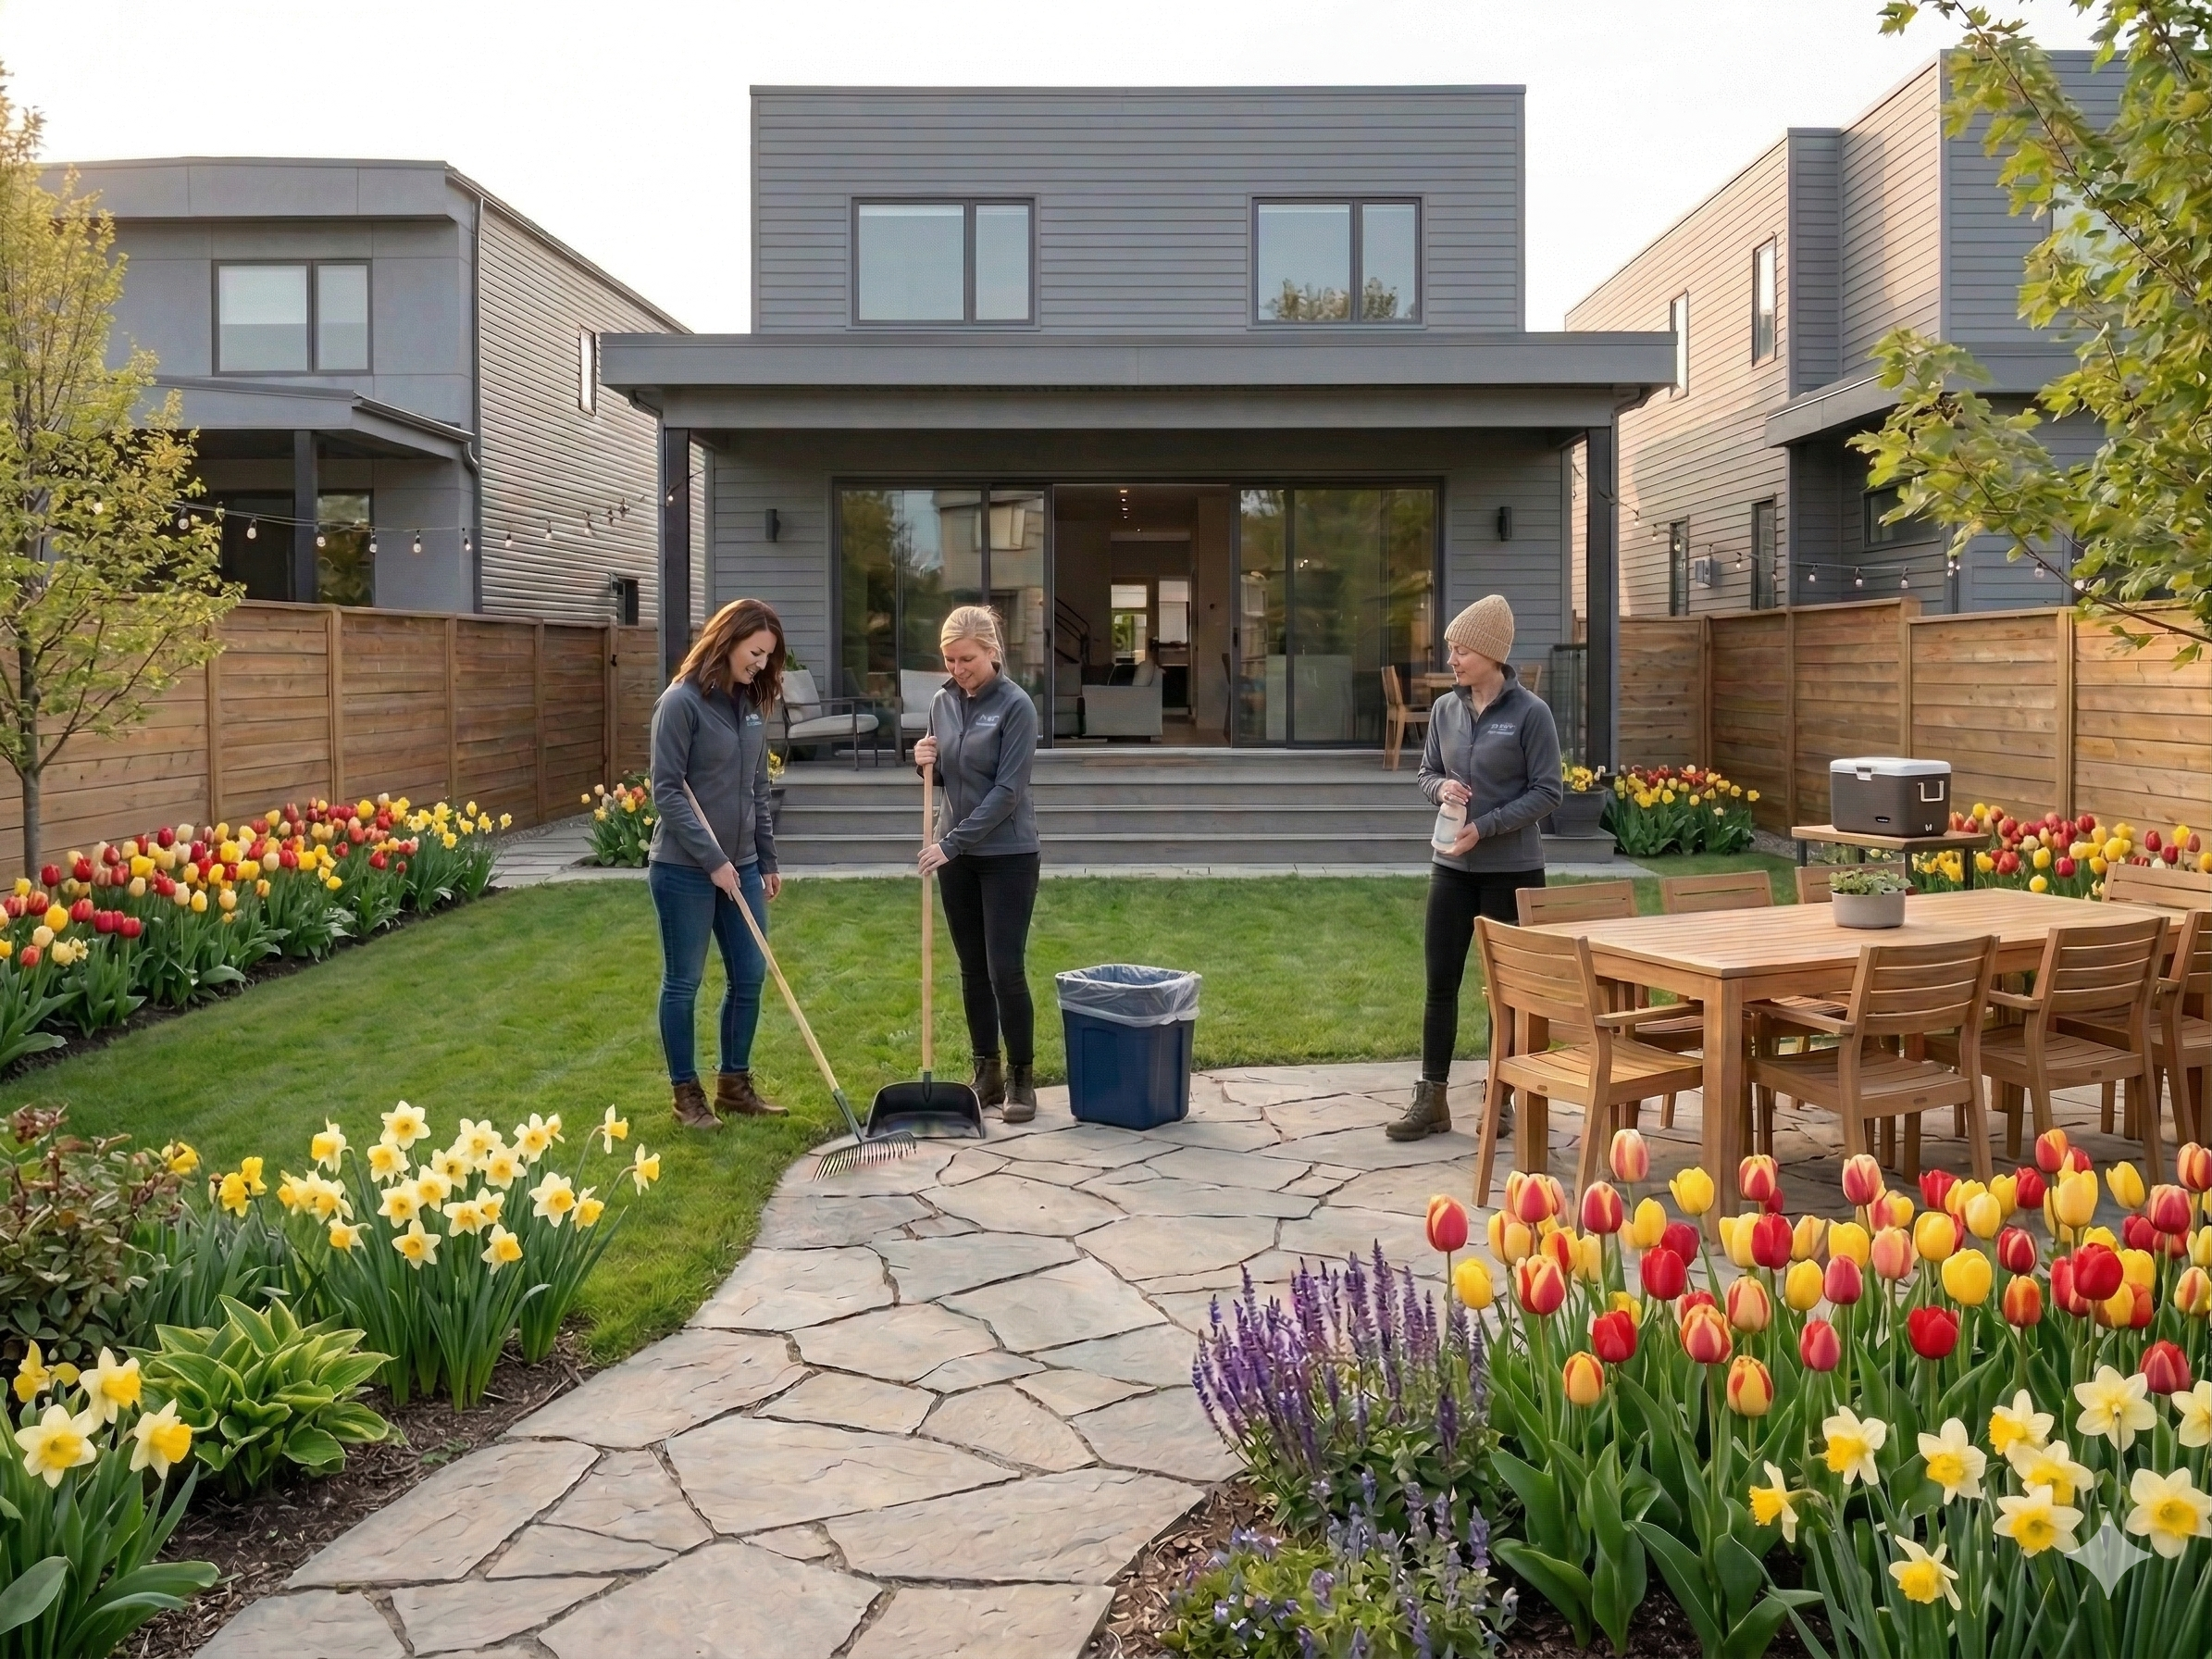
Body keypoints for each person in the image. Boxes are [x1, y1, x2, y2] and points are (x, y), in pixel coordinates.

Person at [1388, 594, 1561, 1141]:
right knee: (1441, 982)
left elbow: (1548, 793)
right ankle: (1431, 1098)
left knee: (1503, 991)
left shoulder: (1531, 714)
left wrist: (1484, 828)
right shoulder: (1445, 710)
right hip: (1450, 869)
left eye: (1462, 649)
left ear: (1490, 652)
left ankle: (1501, 1095)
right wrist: (1441, 786)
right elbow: (1426, 772)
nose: (1454, 658)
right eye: (1453, 649)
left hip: (1511, 872)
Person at [648, 597, 789, 1129]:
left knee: (750, 974)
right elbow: (667, 790)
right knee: (684, 981)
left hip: (745, 865)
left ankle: (734, 1085)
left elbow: (758, 788)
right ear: (728, 640)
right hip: (684, 869)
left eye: (767, 657)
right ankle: (687, 1095)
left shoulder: (750, 706)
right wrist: (712, 861)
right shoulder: (680, 703)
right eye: (755, 652)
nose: (759, 664)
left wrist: (766, 859)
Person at [913, 605, 1042, 1121]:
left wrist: (953, 843)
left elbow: (1007, 792)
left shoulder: (1016, 706)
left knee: (1004, 969)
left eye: (966, 658)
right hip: (957, 855)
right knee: (971, 969)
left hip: (1007, 854)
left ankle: (1022, 1081)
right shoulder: (942, 702)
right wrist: (923, 763)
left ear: (992, 651)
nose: (957, 669)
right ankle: (986, 1073)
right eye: (949, 659)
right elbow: (947, 777)